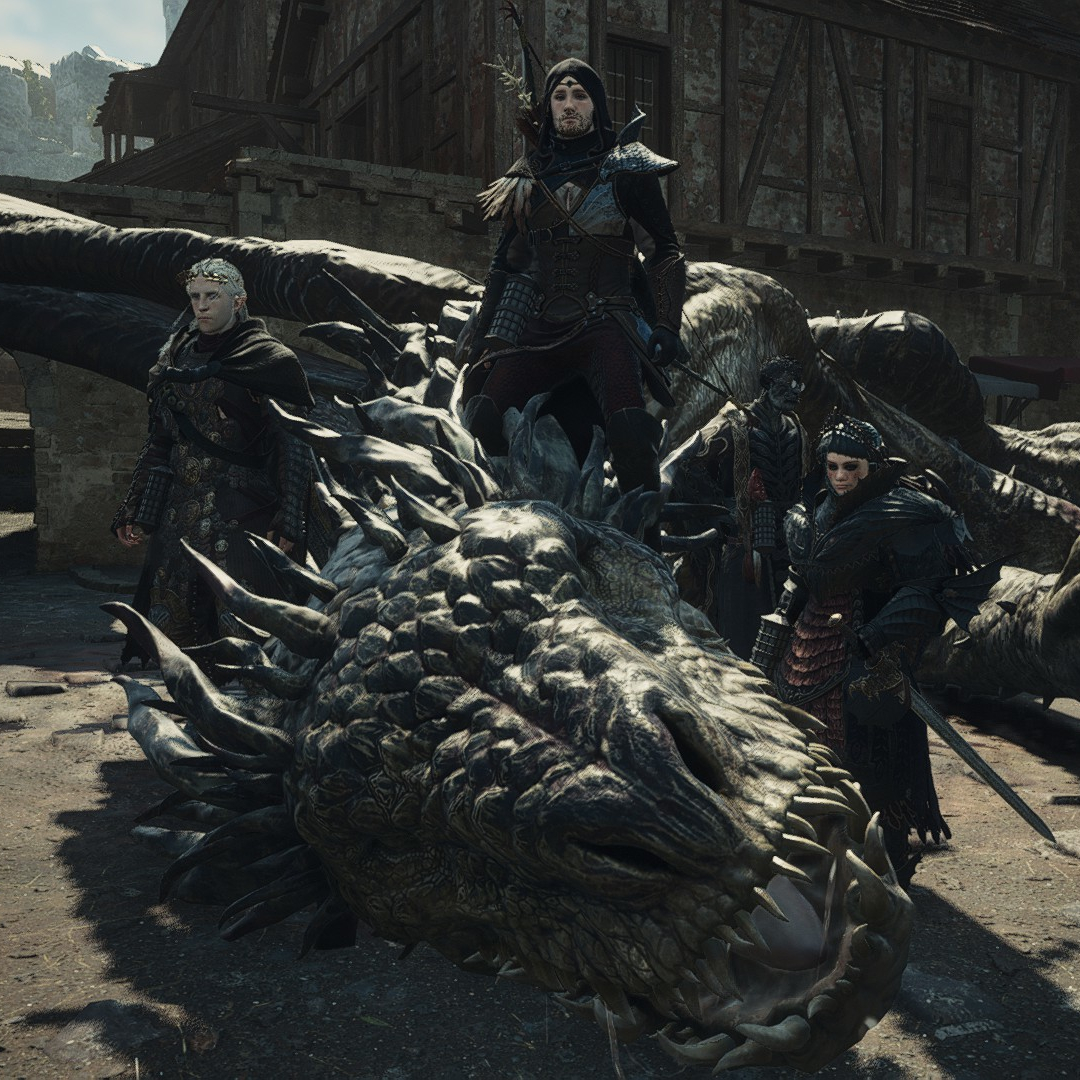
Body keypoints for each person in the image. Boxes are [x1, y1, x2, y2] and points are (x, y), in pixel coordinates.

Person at [751, 413, 974, 886]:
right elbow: (801, 577)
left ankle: (884, 861)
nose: (840, 477)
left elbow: (927, 589)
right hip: (807, 647)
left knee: (873, 760)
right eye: (832, 466)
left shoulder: (904, 513)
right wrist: (779, 625)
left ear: (873, 466)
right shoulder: (816, 511)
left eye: (851, 467)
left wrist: (877, 635)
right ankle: (815, 851)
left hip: (871, 656)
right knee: (803, 749)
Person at [464, 57, 686, 529]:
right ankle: (515, 521)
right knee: (483, 416)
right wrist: (483, 338)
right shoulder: (527, 177)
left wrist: (667, 323)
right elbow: (507, 264)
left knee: (630, 432)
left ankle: (646, 544)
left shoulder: (626, 168)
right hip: (541, 329)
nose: (569, 105)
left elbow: (663, 251)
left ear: (596, 104)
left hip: (605, 324)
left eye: (579, 95)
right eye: (560, 96)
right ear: (548, 107)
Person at [112, 258, 315, 665]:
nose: (201, 306)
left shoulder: (269, 359)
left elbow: (293, 441)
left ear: (238, 301)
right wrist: (133, 506)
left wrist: (291, 516)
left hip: (243, 509)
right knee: (175, 634)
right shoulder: (175, 357)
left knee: (247, 633)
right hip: (179, 515)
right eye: (195, 297)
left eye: (212, 296)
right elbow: (160, 439)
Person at [669, 355, 811, 657]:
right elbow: (685, 466)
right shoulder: (731, 424)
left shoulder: (796, 428)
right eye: (787, 384)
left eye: (799, 385)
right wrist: (722, 509)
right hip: (744, 547)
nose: (795, 391)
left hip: (787, 545)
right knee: (742, 634)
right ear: (767, 385)